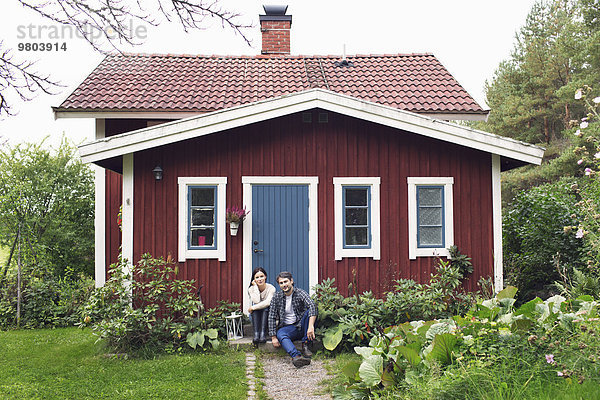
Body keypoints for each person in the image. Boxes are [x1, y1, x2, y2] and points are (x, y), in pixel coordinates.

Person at [268, 271, 318, 368]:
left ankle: (306, 344)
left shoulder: (300, 293)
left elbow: (312, 306)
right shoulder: (276, 297)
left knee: (309, 313)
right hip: (288, 328)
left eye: (285, 282)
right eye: (281, 283)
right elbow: (271, 316)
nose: (284, 285)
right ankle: (297, 357)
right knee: (281, 334)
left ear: (291, 281)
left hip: (302, 325)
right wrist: (273, 337)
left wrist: (311, 326)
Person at [247, 267, 276, 345]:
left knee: (264, 307)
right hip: (255, 316)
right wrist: (256, 287)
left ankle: (263, 334)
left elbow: (267, 303)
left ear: (265, 277)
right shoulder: (251, 289)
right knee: (257, 306)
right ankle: (256, 334)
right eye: (257, 277)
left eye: (261, 276)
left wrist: (252, 307)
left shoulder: (271, 288)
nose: (259, 279)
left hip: (267, 316)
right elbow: (256, 301)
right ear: (254, 280)